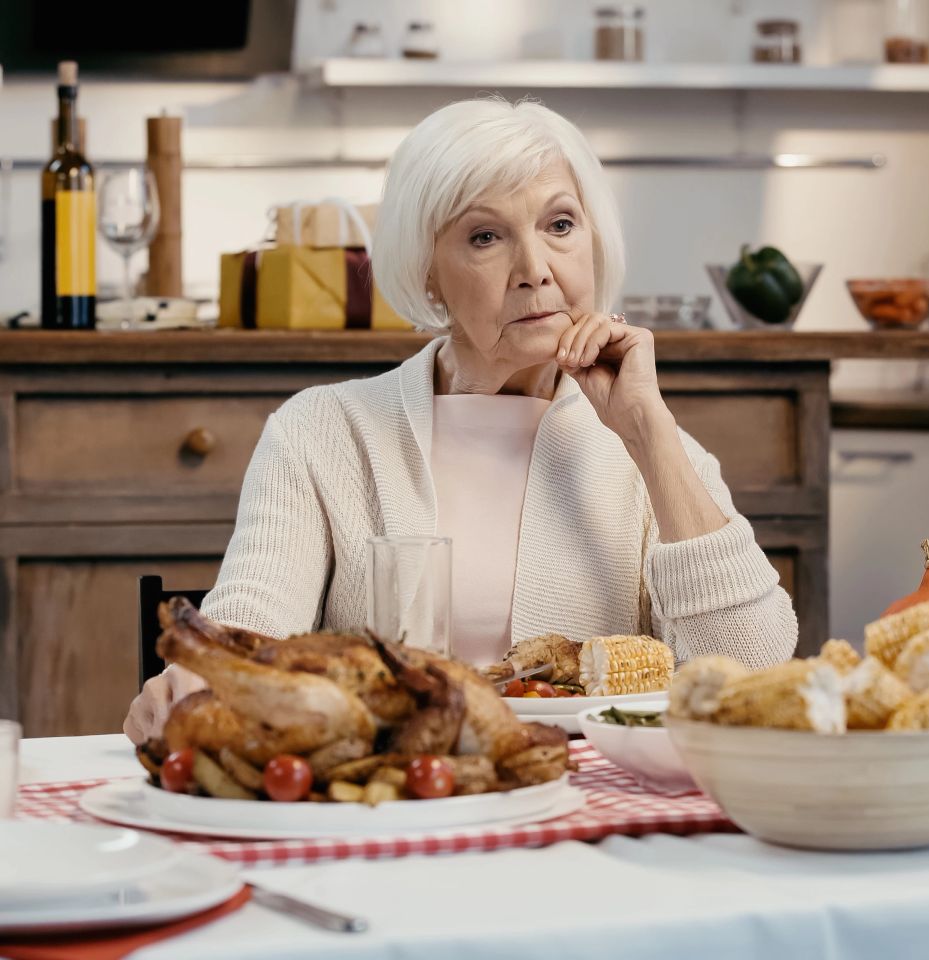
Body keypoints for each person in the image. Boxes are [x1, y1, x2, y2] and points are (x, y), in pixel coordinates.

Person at [123, 97, 797, 744]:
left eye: (560, 225)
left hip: (588, 806)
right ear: (429, 276)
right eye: (485, 237)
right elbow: (252, 624)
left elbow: (755, 674)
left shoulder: (653, 449)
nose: (536, 270)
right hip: (394, 803)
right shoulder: (322, 432)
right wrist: (196, 678)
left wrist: (648, 434)